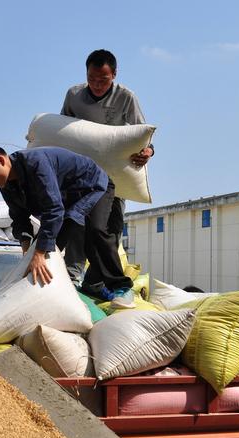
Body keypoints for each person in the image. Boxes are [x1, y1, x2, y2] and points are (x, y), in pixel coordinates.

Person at [0, 142, 133, 305]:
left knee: (95, 232)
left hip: (93, 187)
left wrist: (39, 253)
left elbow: (53, 210)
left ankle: (122, 287)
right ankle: (59, 293)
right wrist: (28, 248)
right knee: (44, 250)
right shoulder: (6, 185)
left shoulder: (35, 164)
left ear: (0, 160)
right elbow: (19, 217)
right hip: (66, 202)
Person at [61, 49, 154, 286]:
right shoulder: (74, 95)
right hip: (81, 176)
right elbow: (61, 129)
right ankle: (73, 274)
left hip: (113, 176)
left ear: (114, 74)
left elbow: (142, 134)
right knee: (77, 222)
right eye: (92, 79)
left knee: (109, 229)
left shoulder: (126, 97)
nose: (97, 85)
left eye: (103, 80)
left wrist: (148, 152)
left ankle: (98, 280)